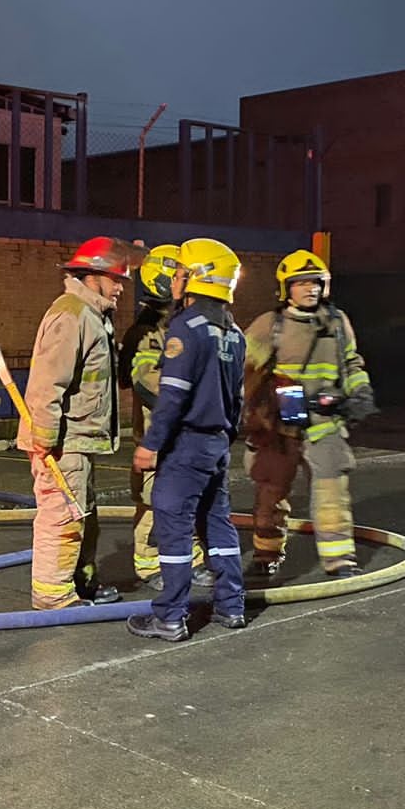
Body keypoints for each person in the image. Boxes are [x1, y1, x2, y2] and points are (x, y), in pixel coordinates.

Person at [127, 238, 247, 642]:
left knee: (174, 526)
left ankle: (169, 617)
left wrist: (151, 444)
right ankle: (232, 607)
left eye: (180, 273)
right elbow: (237, 399)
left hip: (187, 445)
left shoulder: (186, 328)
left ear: (195, 278)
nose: (175, 280)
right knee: (219, 525)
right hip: (218, 445)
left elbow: (172, 395)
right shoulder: (234, 333)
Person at [240, 249, 376, 581]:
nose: (310, 289)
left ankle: (339, 559)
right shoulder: (269, 325)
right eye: (300, 283)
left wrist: (360, 391)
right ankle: (265, 556)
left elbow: (352, 363)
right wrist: (251, 414)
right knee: (271, 494)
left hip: (325, 424)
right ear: (286, 288)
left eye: (315, 283)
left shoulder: (337, 323)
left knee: (332, 494)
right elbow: (243, 370)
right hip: (280, 427)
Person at [21, 236, 141, 610]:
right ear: (94, 276)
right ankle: (53, 595)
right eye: (116, 278)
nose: (121, 287)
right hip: (62, 443)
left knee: (84, 515)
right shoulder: (72, 314)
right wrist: (44, 441)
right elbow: (46, 385)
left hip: (79, 441)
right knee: (63, 517)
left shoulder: (93, 316)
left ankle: (82, 583)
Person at [118, 244, 213, 591]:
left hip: (188, 434)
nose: (185, 282)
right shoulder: (146, 332)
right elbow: (145, 381)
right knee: (153, 502)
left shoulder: (186, 322)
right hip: (158, 436)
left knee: (190, 498)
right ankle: (148, 564)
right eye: (179, 275)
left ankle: (194, 558)